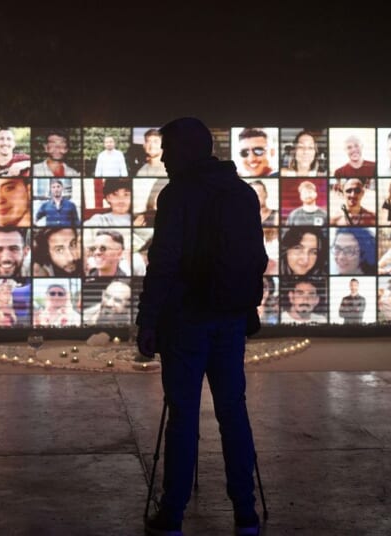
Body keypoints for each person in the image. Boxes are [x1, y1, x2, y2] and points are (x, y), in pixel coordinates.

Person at [136, 117, 265, 536]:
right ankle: (245, 514)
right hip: (229, 321)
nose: (165, 158)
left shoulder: (178, 195)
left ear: (192, 149)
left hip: (186, 322)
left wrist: (148, 320)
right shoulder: (243, 194)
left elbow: (164, 262)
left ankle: (172, 515)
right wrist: (246, 309)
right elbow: (256, 259)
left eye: (170, 149)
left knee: (183, 416)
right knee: (233, 412)